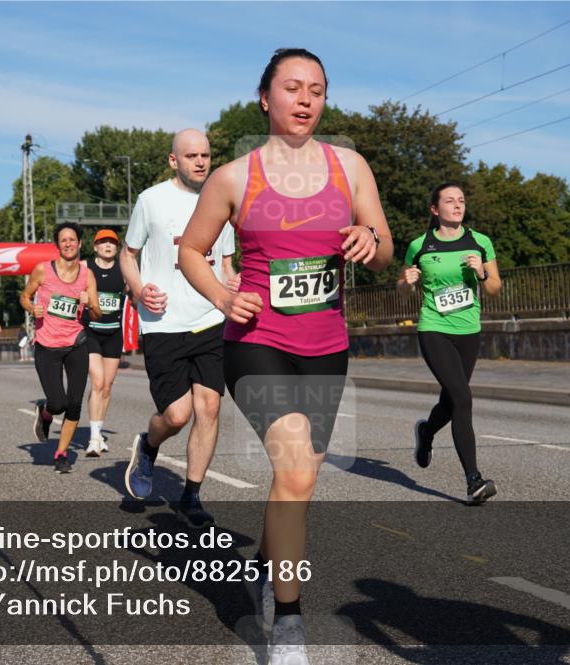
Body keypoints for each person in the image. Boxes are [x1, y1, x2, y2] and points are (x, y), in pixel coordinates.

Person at [179, 49, 393, 663]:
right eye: (293, 88)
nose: (306, 100)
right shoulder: (232, 177)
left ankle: (266, 570)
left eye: (317, 90)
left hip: (326, 346)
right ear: (265, 98)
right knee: (296, 467)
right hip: (256, 343)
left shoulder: (349, 167)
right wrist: (224, 296)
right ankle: (289, 621)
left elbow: (382, 249)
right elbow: (192, 250)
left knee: (296, 481)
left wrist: (368, 239)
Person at [120, 128, 238, 528]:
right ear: (174, 161)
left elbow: (225, 265)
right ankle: (148, 445)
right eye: (191, 156)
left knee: (209, 406)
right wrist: (138, 290)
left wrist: (232, 282)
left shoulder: (223, 201)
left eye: (206, 155)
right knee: (176, 415)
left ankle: (192, 494)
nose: (201, 162)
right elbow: (128, 255)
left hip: (209, 319)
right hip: (163, 323)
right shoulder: (151, 200)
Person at [398, 182, 502, 504]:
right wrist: (406, 282)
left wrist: (483, 272)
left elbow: (495, 288)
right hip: (434, 328)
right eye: (450, 201)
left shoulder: (480, 242)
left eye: (461, 200)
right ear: (435, 209)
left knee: (452, 399)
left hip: (469, 330)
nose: (458, 205)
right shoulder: (420, 245)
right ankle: (474, 481)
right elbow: (402, 287)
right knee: (463, 397)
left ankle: (427, 431)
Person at [20, 222, 101, 474]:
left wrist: (90, 305)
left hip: (77, 344)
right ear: (58, 245)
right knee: (58, 403)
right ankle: (45, 413)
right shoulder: (42, 271)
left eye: (72, 239)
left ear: (79, 243)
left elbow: (98, 314)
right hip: (47, 346)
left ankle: (61, 453)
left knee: (74, 404)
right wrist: (32, 308)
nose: (68, 244)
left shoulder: (87, 275)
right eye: (63, 240)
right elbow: (24, 296)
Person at [82, 229, 128, 457]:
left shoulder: (124, 269)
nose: (108, 245)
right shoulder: (84, 267)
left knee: (107, 386)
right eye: (103, 242)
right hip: (90, 332)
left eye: (112, 242)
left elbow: (135, 293)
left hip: (113, 333)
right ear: (95, 246)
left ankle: (98, 432)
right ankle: (92, 438)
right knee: (98, 382)